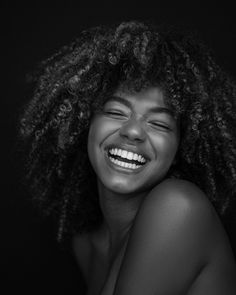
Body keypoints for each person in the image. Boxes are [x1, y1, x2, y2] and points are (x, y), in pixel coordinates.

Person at [18, 20, 236, 294]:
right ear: (83, 124)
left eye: (160, 124)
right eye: (115, 112)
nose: (133, 131)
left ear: (181, 146)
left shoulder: (179, 207)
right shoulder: (86, 242)